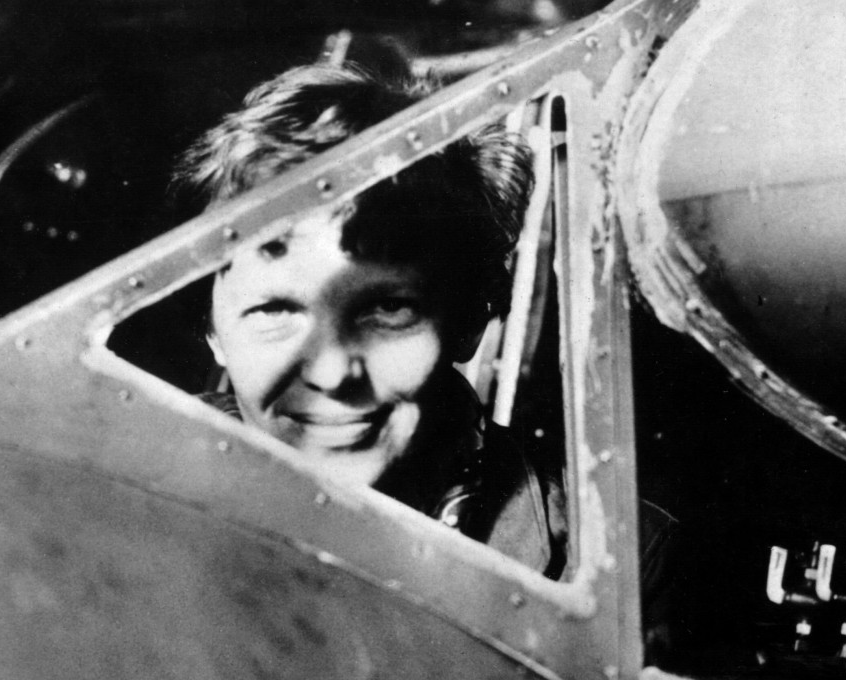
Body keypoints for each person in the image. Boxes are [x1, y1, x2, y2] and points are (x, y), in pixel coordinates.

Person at [174, 62, 677, 666]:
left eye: (388, 308)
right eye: (274, 310)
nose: (333, 373)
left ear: (469, 318)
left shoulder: (614, 561)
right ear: (213, 333)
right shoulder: (95, 487)